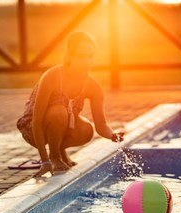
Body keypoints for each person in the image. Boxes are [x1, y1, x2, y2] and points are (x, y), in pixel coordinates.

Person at [17, 30, 124, 177]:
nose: (87, 61)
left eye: (90, 56)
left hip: (61, 124)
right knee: (59, 112)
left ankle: (59, 150)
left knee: (87, 130)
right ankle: (55, 156)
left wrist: (113, 135)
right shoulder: (52, 76)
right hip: (34, 129)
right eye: (80, 56)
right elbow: (36, 121)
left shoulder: (93, 86)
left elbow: (101, 125)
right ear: (69, 55)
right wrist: (45, 161)